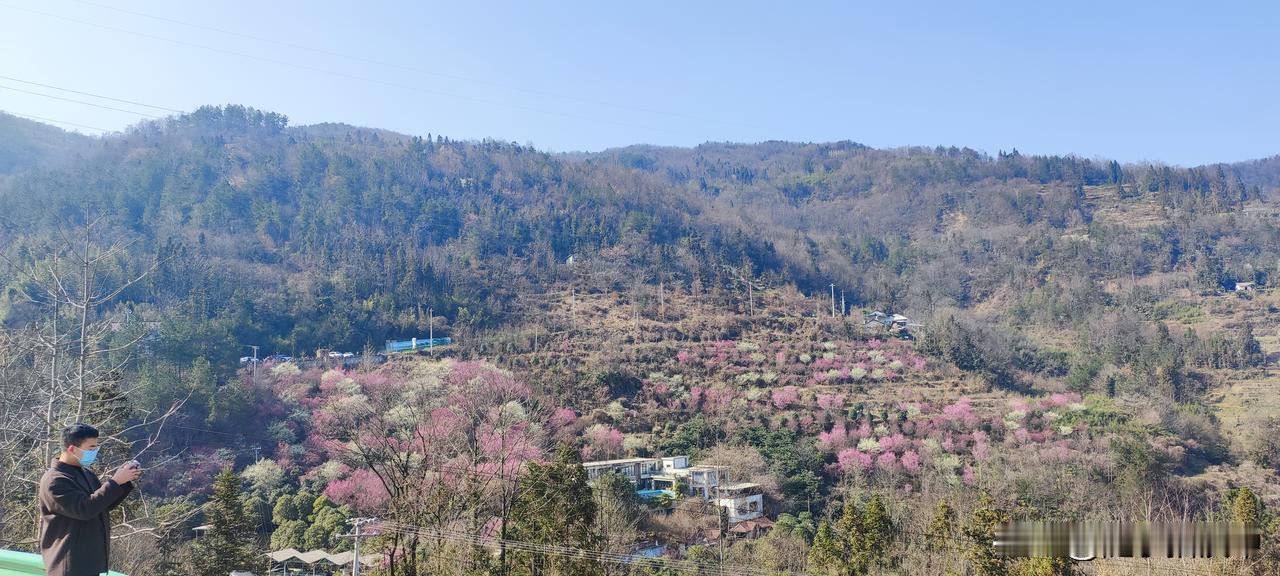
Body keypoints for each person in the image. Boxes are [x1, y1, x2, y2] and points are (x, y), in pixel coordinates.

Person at [38, 423, 142, 576]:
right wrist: (114, 482)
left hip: (88, 563)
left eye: (96, 448)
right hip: (68, 564)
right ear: (72, 449)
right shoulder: (54, 480)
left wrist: (125, 481)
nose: (95, 452)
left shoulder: (86, 474)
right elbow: (84, 510)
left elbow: (101, 505)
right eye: (91, 448)